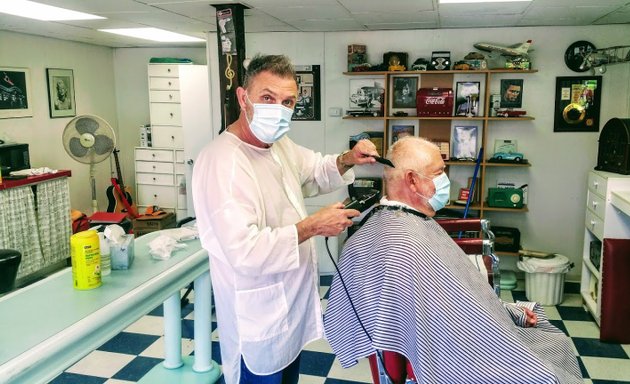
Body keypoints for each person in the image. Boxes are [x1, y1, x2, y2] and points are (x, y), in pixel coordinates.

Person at [323, 137, 582, 384]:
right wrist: (500, 317)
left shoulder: (393, 227)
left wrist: (503, 311)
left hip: (467, 329)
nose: (447, 181)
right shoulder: (405, 244)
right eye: (439, 173)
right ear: (412, 180)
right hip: (461, 350)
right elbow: (451, 320)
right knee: (547, 370)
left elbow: (458, 300)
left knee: (551, 347)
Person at [192, 54, 379, 384]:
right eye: (267, 98)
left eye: (288, 101)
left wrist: (349, 159)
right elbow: (245, 252)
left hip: (288, 306)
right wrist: (312, 226)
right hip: (258, 316)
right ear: (243, 97)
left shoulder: (276, 144)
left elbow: (313, 170)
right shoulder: (224, 162)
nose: (278, 109)